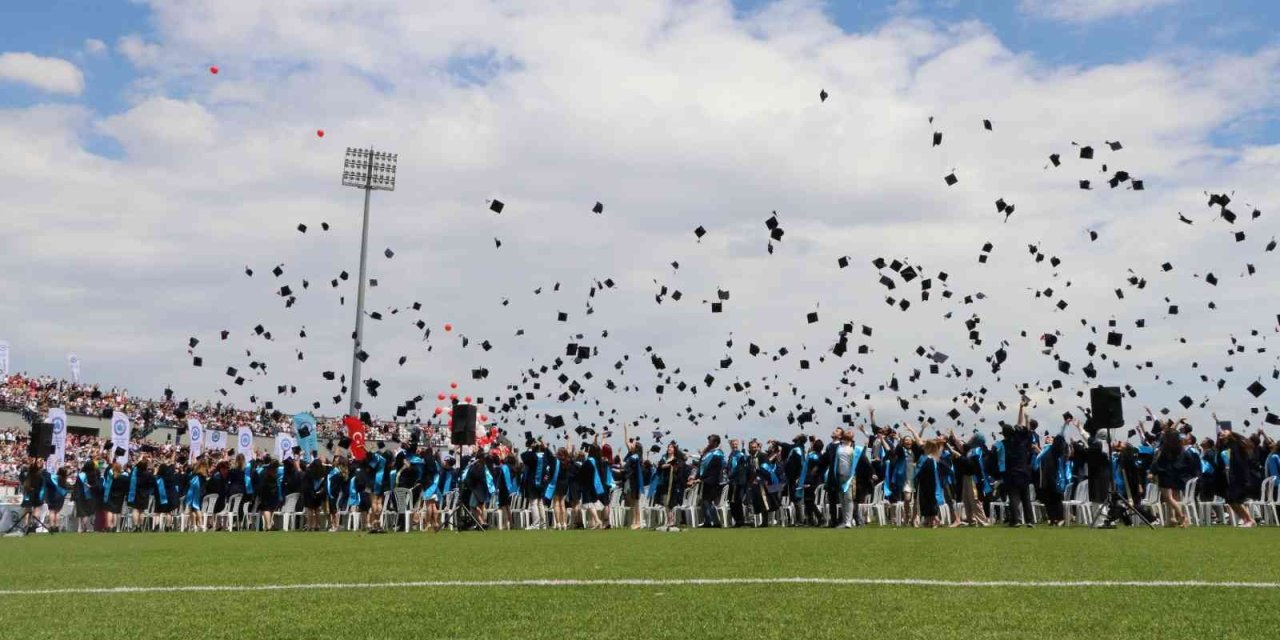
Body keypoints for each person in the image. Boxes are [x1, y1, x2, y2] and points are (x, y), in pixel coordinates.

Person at [1002, 398, 1036, 527]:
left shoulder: (1004, 444)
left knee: (1014, 498)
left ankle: (1015, 520)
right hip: (1024, 472)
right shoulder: (1021, 440)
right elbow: (1021, 424)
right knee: (1026, 498)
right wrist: (1021, 408)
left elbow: (1020, 424)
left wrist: (1021, 409)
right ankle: (1030, 521)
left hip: (1012, 473)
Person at [1150, 426, 1189, 527]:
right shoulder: (1180, 448)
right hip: (1176, 475)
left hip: (1165, 475)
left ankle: (1181, 516)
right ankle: (1172, 519)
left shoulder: (1164, 448)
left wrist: (1152, 473)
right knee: (1174, 498)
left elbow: (1156, 462)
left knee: (1168, 498)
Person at [694, 435, 725, 528]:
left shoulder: (718, 453)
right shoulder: (708, 453)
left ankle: (716, 522)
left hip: (711, 480)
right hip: (703, 480)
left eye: (710, 442)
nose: (708, 443)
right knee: (704, 501)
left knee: (708, 501)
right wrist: (696, 477)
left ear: (715, 443)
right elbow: (701, 465)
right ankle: (707, 521)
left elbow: (711, 468)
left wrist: (702, 478)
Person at [655, 441, 686, 532]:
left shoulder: (676, 459)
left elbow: (679, 467)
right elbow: (660, 466)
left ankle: (671, 521)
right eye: (668, 447)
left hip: (672, 483)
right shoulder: (664, 458)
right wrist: (669, 464)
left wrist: (673, 465)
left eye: (671, 447)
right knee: (665, 502)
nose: (669, 449)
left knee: (670, 503)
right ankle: (669, 520)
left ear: (674, 449)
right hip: (664, 483)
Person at [726, 439, 748, 527]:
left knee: (736, 501)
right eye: (733, 444)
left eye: (736, 444)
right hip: (731, 481)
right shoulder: (731, 455)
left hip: (737, 481)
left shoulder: (740, 455)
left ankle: (740, 521)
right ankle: (737, 520)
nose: (734, 446)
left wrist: (731, 475)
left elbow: (740, 468)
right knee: (732, 502)